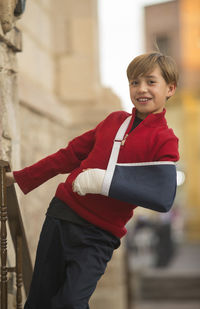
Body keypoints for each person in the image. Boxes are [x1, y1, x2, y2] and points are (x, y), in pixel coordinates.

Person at [6, 52, 180, 309]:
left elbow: (163, 197)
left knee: (71, 302)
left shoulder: (165, 139)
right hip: (62, 215)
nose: (141, 89)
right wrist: (20, 178)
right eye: (134, 82)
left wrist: (102, 183)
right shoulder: (113, 121)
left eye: (150, 82)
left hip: (99, 235)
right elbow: (69, 155)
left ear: (170, 88)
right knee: (40, 299)